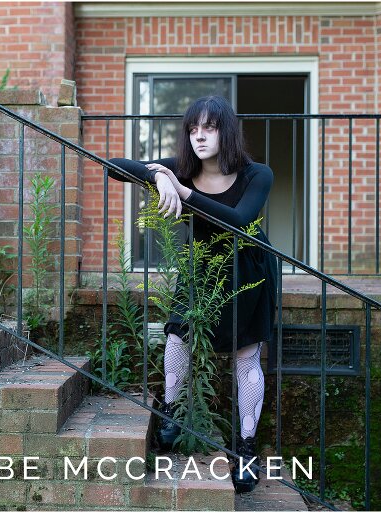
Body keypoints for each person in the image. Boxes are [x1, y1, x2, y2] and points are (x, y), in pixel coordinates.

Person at [108, 95, 277, 493]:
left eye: (210, 127)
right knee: (176, 335)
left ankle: (246, 448)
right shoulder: (182, 169)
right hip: (199, 268)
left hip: (247, 268)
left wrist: (183, 193)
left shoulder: (257, 174)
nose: (199, 136)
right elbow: (115, 167)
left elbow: (238, 220)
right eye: (193, 129)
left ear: (227, 131)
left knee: (245, 352)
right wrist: (160, 176)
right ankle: (170, 413)